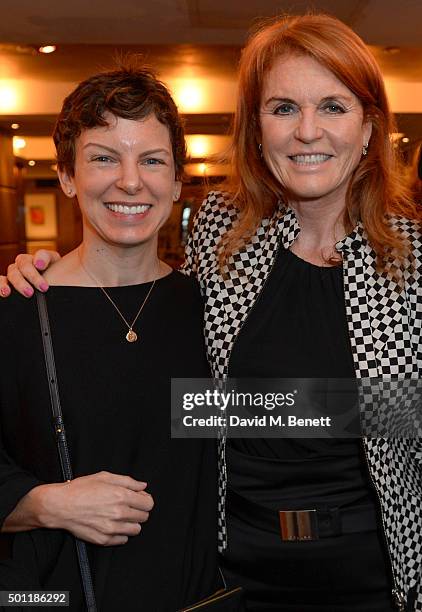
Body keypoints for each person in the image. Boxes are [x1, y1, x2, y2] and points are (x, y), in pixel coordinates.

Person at [2, 13, 421, 612]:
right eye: (283, 109)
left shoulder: (411, 261)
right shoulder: (227, 239)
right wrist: (48, 276)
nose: (308, 132)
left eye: (333, 107)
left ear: (368, 126)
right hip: (232, 573)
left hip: (375, 573)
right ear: (256, 130)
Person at [0, 61, 222, 610]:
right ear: (68, 176)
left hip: (196, 596)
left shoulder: (214, 310)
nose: (130, 180)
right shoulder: (17, 311)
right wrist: (44, 502)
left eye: (151, 160)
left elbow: (290, 419)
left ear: (175, 181)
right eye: (103, 157)